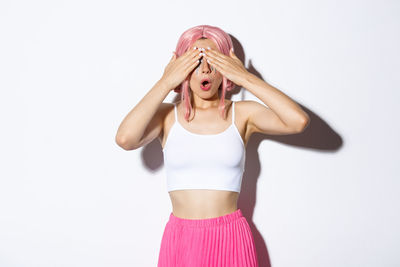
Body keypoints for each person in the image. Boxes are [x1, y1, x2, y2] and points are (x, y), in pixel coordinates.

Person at [115, 25, 310, 267]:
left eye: (213, 59)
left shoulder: (242, 114)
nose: (205, 69)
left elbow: (297, 121)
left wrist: (245, 77)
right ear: (181, 67)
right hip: (181, 239)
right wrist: (165, 81)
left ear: (226, 66)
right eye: (195, 60)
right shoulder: (166, 116)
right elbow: (125, 138)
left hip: (231, 237)